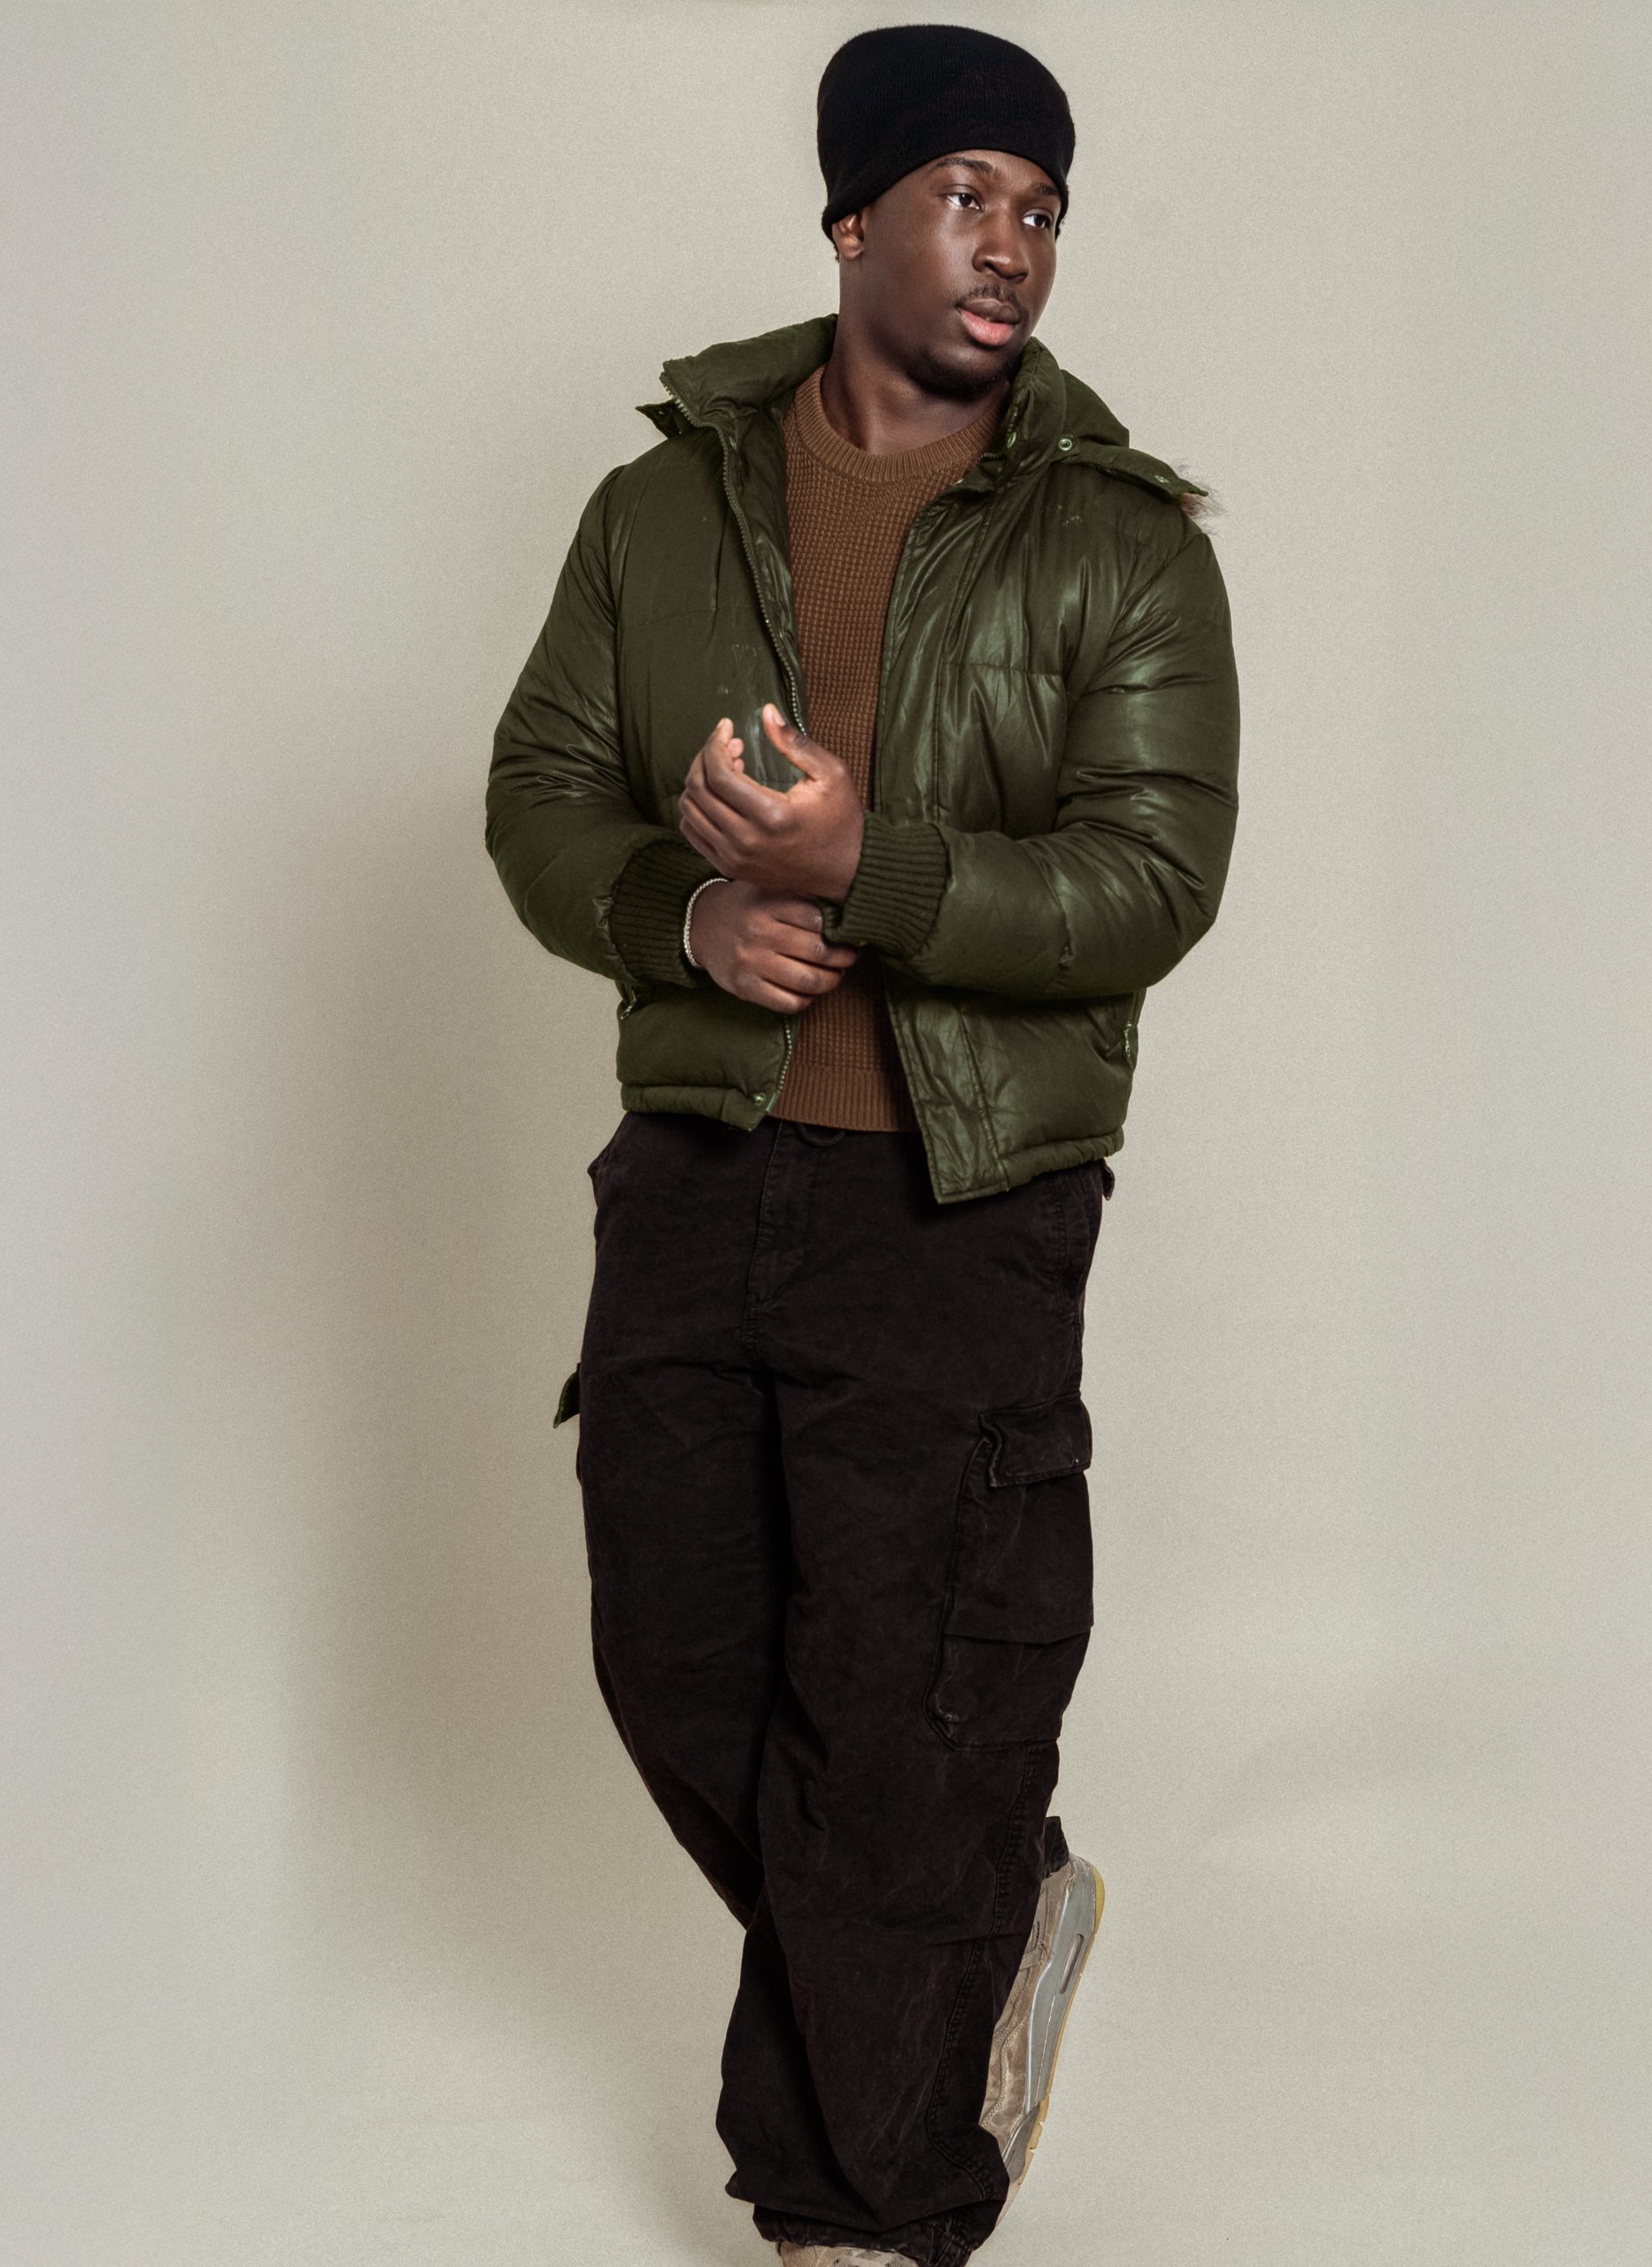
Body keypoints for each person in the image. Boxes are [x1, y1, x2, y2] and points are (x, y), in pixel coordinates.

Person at [484, 23, 1239, 2264]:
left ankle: (862, 2206)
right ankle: (998, 1905)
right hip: (703, 1160)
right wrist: (688, 916)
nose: (1012, 245)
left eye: (1044, 208)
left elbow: (1153, 881)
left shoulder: (1119, 541)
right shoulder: (660, 508)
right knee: (679, 1652)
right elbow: (542, 792)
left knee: (899, 1703)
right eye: (965, 195)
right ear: (850, 219)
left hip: (960, 1190)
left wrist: (866, 865)